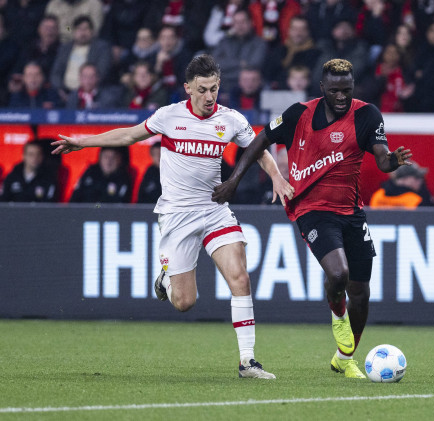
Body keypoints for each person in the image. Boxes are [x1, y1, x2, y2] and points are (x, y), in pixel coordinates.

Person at [52, 54, 293, 379]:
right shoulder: (169, 116)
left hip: (214, 209)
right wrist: (83, 142)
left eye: (215, 89)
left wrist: (277, 176)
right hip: (177, 214)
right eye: (203, 89)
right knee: (184, 302)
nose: (210, 97)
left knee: (240, 277)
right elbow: (129, 135)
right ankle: (166, 278)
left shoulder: (231, 119)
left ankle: (247, 362)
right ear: (188, 89)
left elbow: (260, 150)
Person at [212, 58, 412, 379]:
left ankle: (344, 358)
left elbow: (383, 159)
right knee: (338, 274)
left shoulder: (366, 115)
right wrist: (234, 179)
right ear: (322, 88)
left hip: (351, 212)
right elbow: (259, 141)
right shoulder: (297, 115)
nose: (342, 97)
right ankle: (337, 316)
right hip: (311, 209)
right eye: (335, 90)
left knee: (360, 292)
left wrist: (392, 162)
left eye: (347, 90)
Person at [49, 15, 112, 102]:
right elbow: (56, 73)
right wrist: (60, 90)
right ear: (73, 32)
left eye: (86, 29)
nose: (83, 33)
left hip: (91, 94)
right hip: (65, 92)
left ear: (92, 31)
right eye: (79, 29)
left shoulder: (101, 48)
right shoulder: (65, 48)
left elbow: (102, 72)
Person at [369, 162, 434, 208]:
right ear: (404, 179)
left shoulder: (378, 195)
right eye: (417, 177)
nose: (420, 181)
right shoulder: (416, 199)